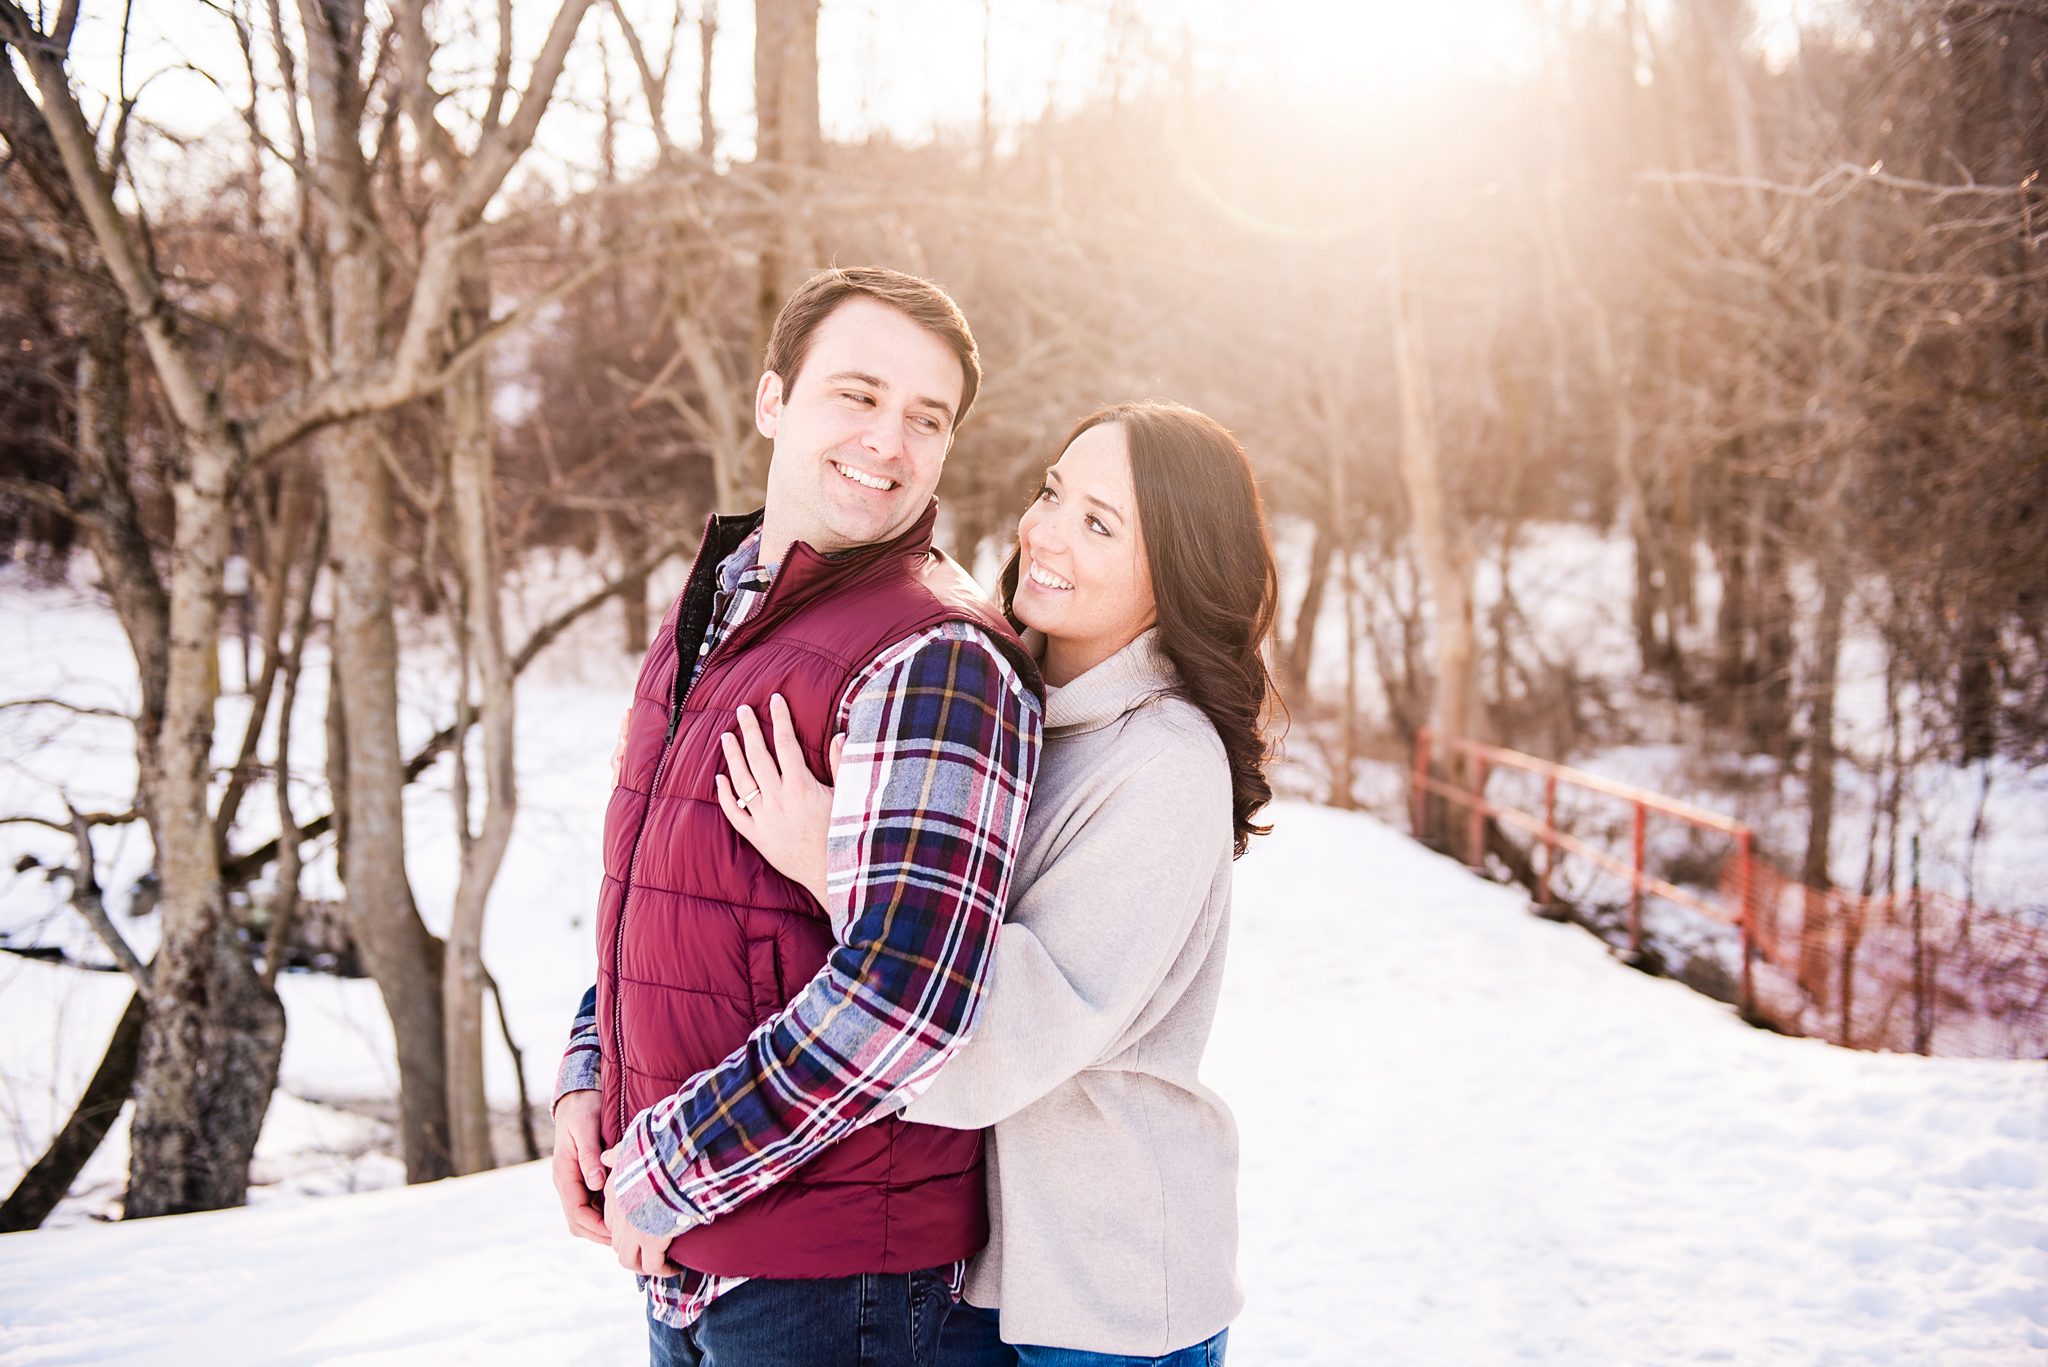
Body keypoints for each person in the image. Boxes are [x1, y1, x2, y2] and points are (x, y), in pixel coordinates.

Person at [549, 266, 1046, 1367]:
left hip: (835, 1286)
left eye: (926, 418)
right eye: (855, 395)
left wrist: (667, 1164)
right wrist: (591, 1071)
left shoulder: (935, 657)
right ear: (773, 400)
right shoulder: (721, 607)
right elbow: (658, 891)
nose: (887, 440)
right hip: (693, 1250)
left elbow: (908, 997)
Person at [720, 401, 1278, 1366]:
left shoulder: (1165, 761)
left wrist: (832, 855)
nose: (1046, 533)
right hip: (980, 1268)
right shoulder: (1006, 694)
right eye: (1053, 492)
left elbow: (1005, 1029)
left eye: (1100, 523)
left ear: (1176, 569)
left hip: (1105, 1291)